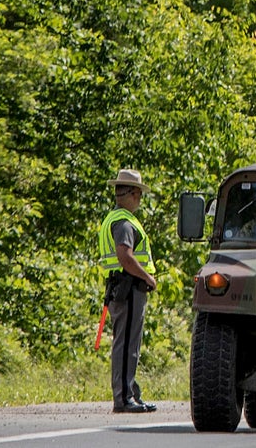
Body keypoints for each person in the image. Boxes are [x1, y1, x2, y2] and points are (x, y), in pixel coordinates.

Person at [98, 168, 158, 413]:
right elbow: (125, 256)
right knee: (126, 344)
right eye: (139, 195)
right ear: (133, 194)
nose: (140, 200)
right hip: (129, 287)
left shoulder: (113, 218)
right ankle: (124, 398)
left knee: (129, 343)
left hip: (122, 287)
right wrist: (148, 278)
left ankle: (130, 392)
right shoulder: (123, 222)